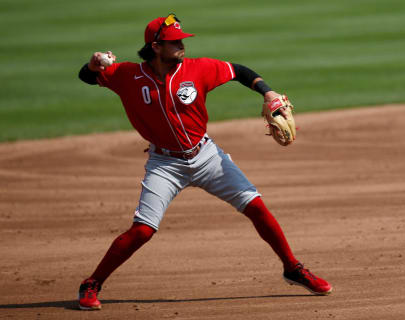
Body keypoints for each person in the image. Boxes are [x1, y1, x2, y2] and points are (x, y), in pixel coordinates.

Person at [77, 14, 332, 311]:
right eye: (175, 42)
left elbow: (238, 70)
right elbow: (87, 76)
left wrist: (268, 92)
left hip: (206, 156)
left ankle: (292, 267)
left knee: (257, 207)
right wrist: (93, 64)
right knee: (143, 230)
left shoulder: (199, 68)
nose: (182, 45)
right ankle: (92, 282)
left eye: (182, 39)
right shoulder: (128, 75)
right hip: (165, 164)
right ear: (156, 47)